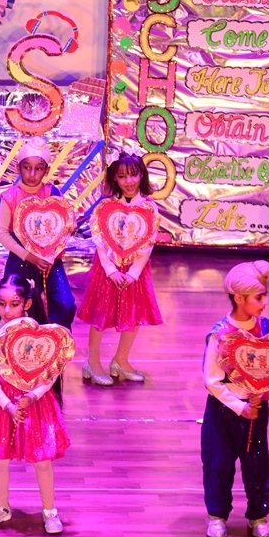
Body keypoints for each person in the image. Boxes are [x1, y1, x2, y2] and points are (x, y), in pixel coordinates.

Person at [0, 273, 70, 535]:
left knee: (42, 459)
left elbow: (50, 373)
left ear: (27, 303)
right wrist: (7, 404)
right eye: (1, 304)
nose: (7, 310)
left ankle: (49, 510)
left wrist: (32, 396)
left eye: (14, 304)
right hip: (1, 405)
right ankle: (1, 507)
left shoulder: (40, 334)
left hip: (35, 404)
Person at [201, 261, 269, 537]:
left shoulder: (266, 327)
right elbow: (212, 380)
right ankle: (217, 515)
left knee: (257, 463)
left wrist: (265, 389)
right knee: (219, 462)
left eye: (264, 296)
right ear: (238, 298)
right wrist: (240, 406)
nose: (264, 303)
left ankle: (258, 514)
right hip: (224, 410)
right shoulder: (220, 334)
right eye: (259, 297)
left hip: (257, 408)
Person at [77, 152, 162, 385]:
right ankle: (92, 363)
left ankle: (121, 360)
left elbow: (148, 243)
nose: (129, 181)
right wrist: (111, 270)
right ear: (114, 178)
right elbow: (100, 241)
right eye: (122, 176)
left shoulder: (149, 208)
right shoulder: (105, 207)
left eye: (133, 175)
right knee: (100, 315)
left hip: (135, 271)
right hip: (108, 271)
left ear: (142, 175)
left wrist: (133, 273)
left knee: (132, 315)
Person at [0, 138, 76, 329]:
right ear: (19, 168)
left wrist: (52, 254)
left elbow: (64, 226)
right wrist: (29, 256)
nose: (32, 174)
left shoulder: (53, 193)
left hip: (50, 261)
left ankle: (55, 340)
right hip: (21, 260)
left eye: (38, 168)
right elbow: (1, 233)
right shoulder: (10, 196)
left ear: (46, 170)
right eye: (27, 168)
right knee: (20, 306)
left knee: (65, 304)